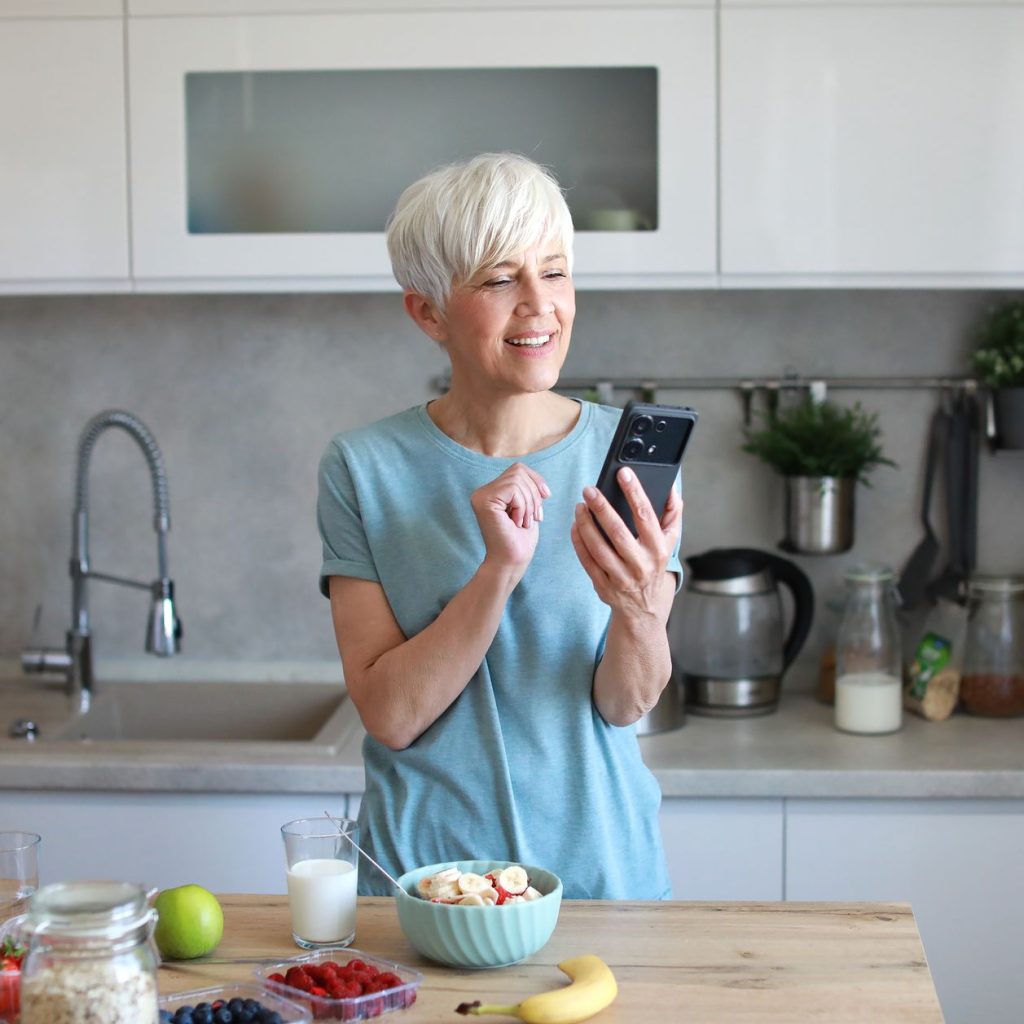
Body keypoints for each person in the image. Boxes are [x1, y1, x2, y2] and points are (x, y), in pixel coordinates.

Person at [317, 152, 682, 899]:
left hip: (599, 882)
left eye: (554, 271)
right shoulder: (364, 467)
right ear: (428, 312)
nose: (539, 305)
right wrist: (498, 570)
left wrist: (642, 611)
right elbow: (390, 715)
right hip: (424, 889)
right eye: (498, 279)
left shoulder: (626, 463)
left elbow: (625, 704)